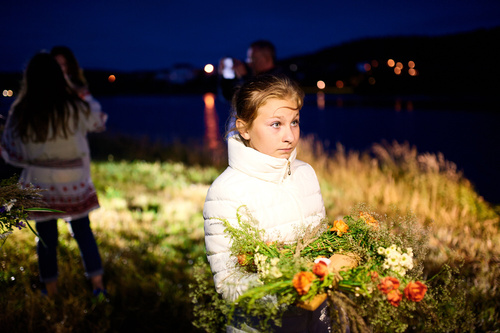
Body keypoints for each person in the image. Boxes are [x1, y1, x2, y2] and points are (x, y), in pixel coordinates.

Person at [204, 74, 330, 332]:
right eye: (276, 124)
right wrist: (288, 291)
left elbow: (323, 244)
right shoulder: (226, 192)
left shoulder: (306, 173)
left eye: (294, 122)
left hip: (318, 321)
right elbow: (228, 281)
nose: (290, 136)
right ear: (245, 128)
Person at [0, 52, 108, 297]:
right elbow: (98, 123)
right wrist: (83, 92)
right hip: (74, 181)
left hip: (40, 182)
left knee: (46, 237)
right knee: (83, 231)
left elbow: (13, 154)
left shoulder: (21, 111)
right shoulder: (75, 106)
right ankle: (98, 287)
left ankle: (51, 290)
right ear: (60, 76)